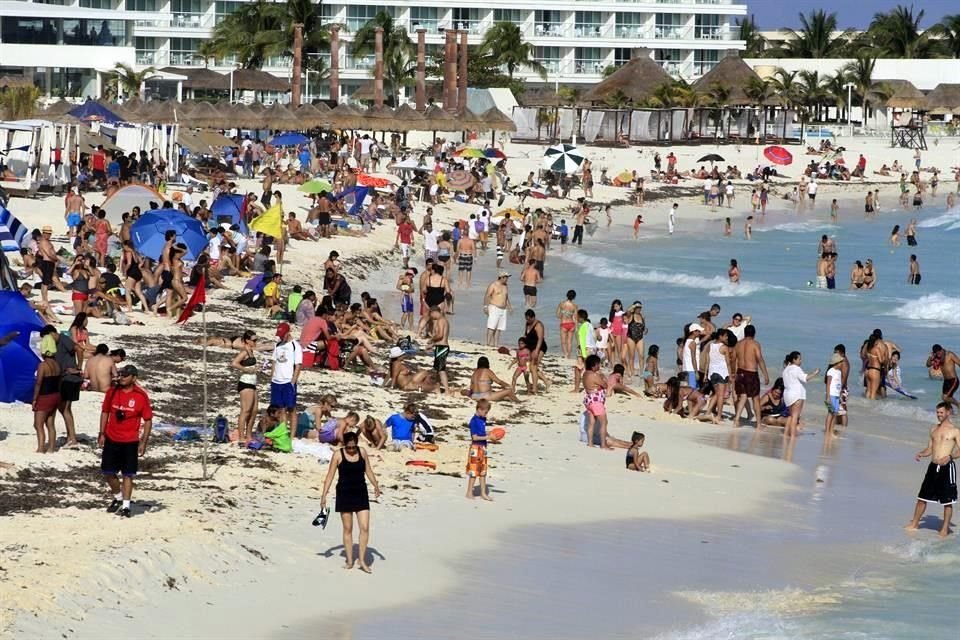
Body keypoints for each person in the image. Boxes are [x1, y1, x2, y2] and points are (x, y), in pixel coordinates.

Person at [320, 431, 381, 572]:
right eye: (349, 448)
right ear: (344, 445)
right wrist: (324, 495)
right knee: (348, 529)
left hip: (361, 493)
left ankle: (362, 560)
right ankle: (349, 560)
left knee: (364, 527)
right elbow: (329, 476)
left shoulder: (363, 452)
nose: (352, 450)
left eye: (354, 447)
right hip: (344, 494)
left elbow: (369, 471)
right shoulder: (338, 455)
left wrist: (376, 486)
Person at [99, 365, 153, 518]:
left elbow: (148, 420)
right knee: (108, 473)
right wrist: (101, 433)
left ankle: (126, 506)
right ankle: (118, 498)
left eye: (126, 375)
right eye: (121, 374)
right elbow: (105, 411)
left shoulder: (141, 396)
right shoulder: (113, 391)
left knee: (128, 474)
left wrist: (144, 441)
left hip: (130, 441)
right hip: (111, 437)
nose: (122, 377)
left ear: (134, 378)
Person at [906, 403, 960, 538]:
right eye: (937, 412)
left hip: (947, 468)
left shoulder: (955, 431)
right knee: (922, 497)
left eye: (941, 412)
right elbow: (930, 448)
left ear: (948, 412)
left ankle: (944, 528)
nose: (938, 415)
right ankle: (915, 524)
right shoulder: (933, 429)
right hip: (933, 467)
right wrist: (922, 453)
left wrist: (950, 456)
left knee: (947, 501)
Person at [732, 324, 769, 428]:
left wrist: (733, 373)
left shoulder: (738, 344)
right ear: (754, 334)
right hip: (751, 373)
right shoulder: (755, 344)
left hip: (740, 372)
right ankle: (758, 424)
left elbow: (733, 359)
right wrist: (765, 374)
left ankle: (737, 420)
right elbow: (759, 358)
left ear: (745, 333)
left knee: (743, 396)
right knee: (755, 398)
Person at [270, 322, 303, 432]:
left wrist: (293, 381)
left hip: (288, 381)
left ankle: (292, 435)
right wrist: (272, 377)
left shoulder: (295, 346)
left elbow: (298, 365)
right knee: (279, 409)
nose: (281, 337)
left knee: (291, 408)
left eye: (282, 335)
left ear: (288, 333)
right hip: (276, 381)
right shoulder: (278, 345)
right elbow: (274, 361)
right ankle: (281, 431)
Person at [465, 398, 499, 500]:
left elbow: (482, 432)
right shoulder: (474, 421)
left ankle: (483, 493)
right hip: (475, 448)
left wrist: (490, 434)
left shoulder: (482, 419)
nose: (486, 414)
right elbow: (474, 437)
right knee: (474, 472)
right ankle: (469, 492)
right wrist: (488, 437)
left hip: (483, 448)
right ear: (479, 409)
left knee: (483, 472)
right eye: (485, 412)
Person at [782, 351, 820, 438]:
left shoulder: (786, 370)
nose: (801, 361)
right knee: (795, 416)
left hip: (787, 395)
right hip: (797, 394)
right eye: (799, 359)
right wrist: (815, 373)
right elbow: (805, 378)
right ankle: (792, 435)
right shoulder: (796, 368)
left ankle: (786, 433)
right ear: (794, 360)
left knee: (791, 416)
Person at [33, 338, 62, 453]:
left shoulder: (43, 366)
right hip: (56, 395)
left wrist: (35, 399)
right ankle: (51, 448)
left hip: (45, 396)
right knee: (50, 423)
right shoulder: (57, 364)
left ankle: (40, 448)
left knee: (38, 424)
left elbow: (39, 383)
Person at [231, 333, 260, 443]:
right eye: (253, 340)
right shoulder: (244, 351)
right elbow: (234, 363)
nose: (255, 342)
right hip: (245, 383)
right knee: (246, 410)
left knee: (254, 410)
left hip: (253, 382)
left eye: (256, 340)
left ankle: (248, 434)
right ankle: (241, 436)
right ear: (247, 340)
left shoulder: (250, 351)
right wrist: (246, 370)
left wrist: (255, 368)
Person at [483, 272, 511, 348]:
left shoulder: (505, 286)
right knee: (491, 326)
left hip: (503, 309)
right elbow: (487, 295)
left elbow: (506, 297)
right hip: (494, 307)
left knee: (499, 328)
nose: (507, 279)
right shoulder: (493, 285)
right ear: (501, 277)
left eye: (507, 277)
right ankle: (488, 343)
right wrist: (485, 306)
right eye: (506, 277)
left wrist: (509, 307)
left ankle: (496, 344)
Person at [928, 344, 960, 410]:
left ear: (942, 349)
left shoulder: (949, 354)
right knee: (946, 400)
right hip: (946, 381)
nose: (938, 354)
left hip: (953, 380)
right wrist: (930, 358)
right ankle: (951, 414)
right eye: (936, 353)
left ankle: (958, 405)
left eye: (939, 352)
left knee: (945, 397)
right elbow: (928, 365)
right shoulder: (936, 357)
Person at [428, 306, 450, 394]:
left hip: (442, 347)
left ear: (434, 312)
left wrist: (432, 339)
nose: (431, 318)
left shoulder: (441, 320)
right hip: (440, 346)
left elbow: (440, 335)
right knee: (437, 369)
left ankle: (447, 390)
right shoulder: (443, 320)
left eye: (431, 315)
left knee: (441, 370)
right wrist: (433, 344)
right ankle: (437, 388)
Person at [824, 353, 844, 436]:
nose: (842, 364)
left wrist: (840, 396)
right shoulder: (830, 371)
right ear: (836, 363)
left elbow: (839, 384)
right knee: (830, 413)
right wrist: (828, 396)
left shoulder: (839, 372)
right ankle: (827, 431)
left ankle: (831, 431)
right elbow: (828, 384)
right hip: (831, 395)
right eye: (841, 362)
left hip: (836, 395)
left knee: (835, 413)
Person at [556, 289, 578, 360]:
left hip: (564, 323)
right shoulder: (574, 306)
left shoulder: (561, 304)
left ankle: (565, 354)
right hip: (571, 324)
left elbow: (557, 314)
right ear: (574, 297)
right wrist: (576, 327)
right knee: (569, 341)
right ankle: (569, 355)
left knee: (563, 341)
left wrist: (563, 315)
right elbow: (575, 317)